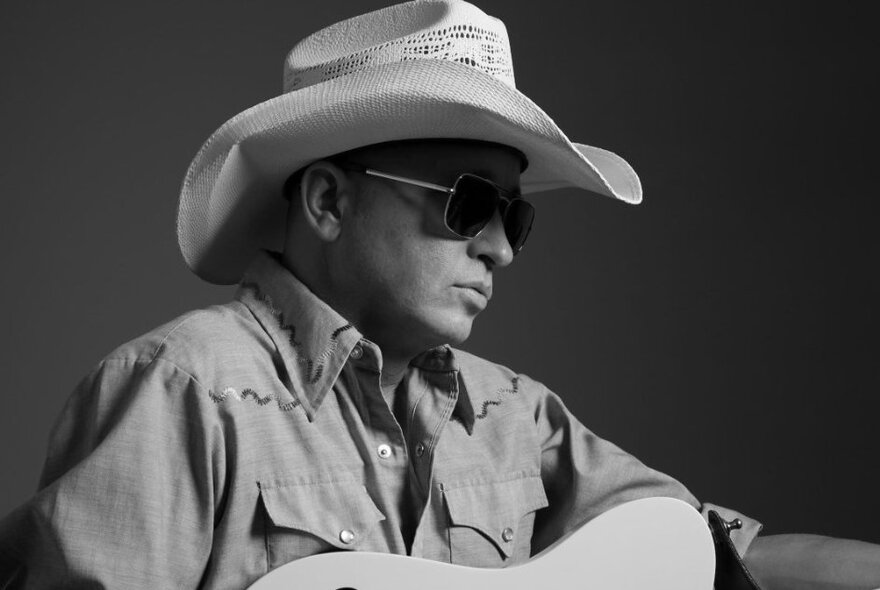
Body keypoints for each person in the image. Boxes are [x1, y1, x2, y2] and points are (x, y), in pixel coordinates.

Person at [0, 1, 878, 588]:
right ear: (329, 201)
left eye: (515, 218)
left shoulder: (515, 415)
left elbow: (721, 554)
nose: (499, 247)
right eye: (468, 204)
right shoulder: (182, 390)